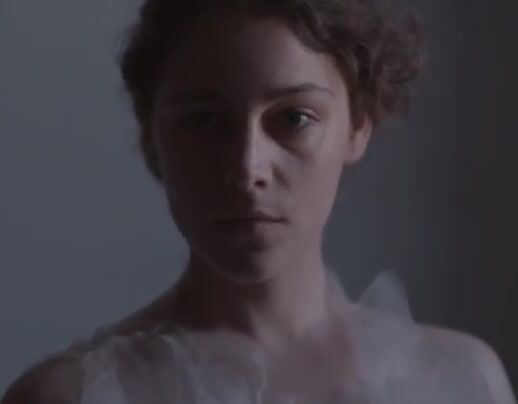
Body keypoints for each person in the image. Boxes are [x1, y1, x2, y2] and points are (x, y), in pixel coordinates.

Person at [2, 0, 516, 403]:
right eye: (205, 121)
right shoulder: (70, 396)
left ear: (359, 125)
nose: (248, 168)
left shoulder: (461, 381)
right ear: (151, 137)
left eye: (294, 118)